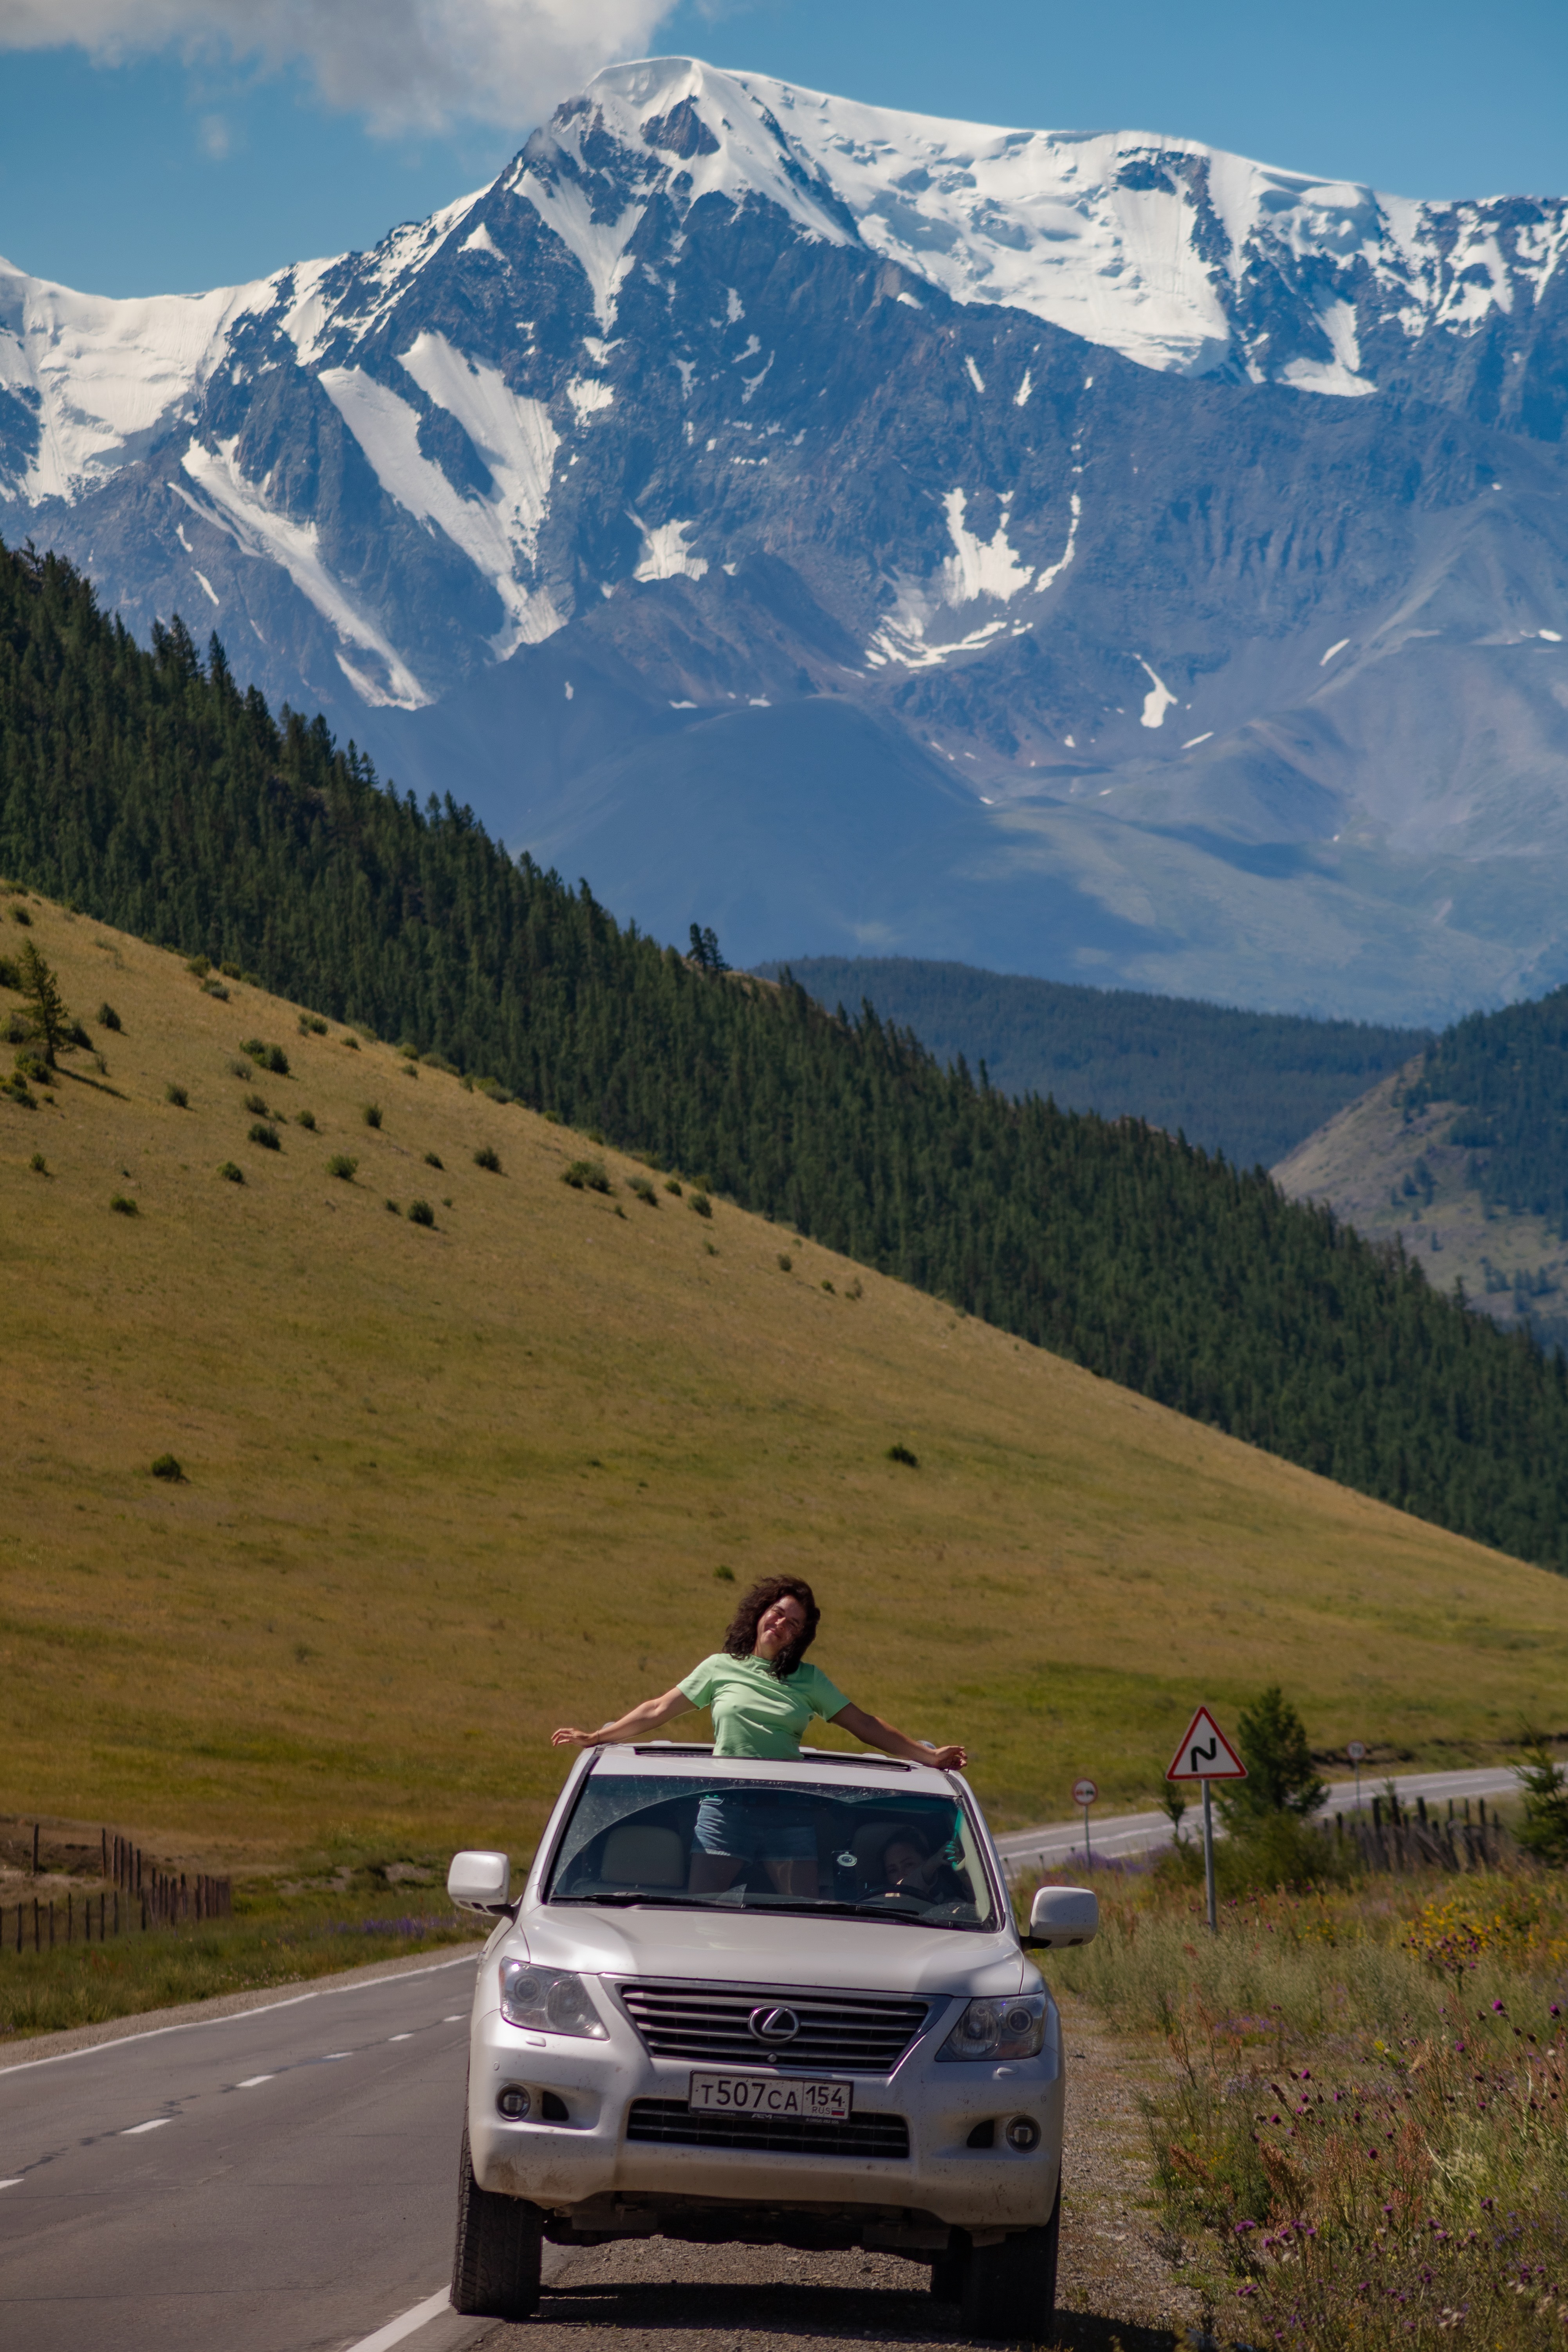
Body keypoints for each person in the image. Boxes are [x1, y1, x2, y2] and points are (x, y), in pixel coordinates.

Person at [551, 1575, 968, 1899]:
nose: (782, 1624)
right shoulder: (720, 1667)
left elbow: (865, 1724)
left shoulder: (809, 1680)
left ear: (800, 1637)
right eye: (779, 1612)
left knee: (799, 1919)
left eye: (794, 1623)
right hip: (724, 1809)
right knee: (700, 1916)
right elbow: (658, 1709)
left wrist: (928, 1757)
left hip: (788, 1811)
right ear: (761, 1611)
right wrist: (598, 1736)